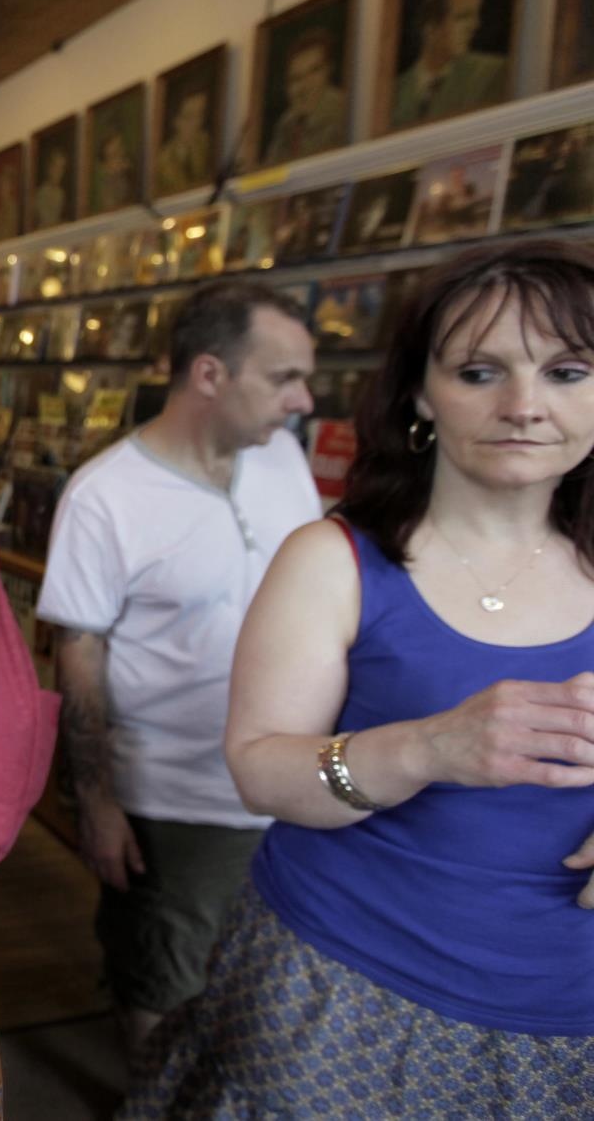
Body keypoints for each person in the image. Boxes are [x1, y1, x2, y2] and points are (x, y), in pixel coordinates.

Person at [126, 242, 594, 1117]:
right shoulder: (338, 560)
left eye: (567, 371)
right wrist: (429, 746)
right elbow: (262, 766)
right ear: (420, 394)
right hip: (346, 988)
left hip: (567, 1016)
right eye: (481, 371)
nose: (526, 406)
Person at [35, 282, 319, 1063]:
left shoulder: (284, 458)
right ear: (208, 375)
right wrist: (94, 803)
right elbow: (79, 660)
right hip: (179, 800)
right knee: (161, 988)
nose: (303, 398)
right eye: (283, 376)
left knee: (260, 988)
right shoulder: (106, 496)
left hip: (295, 788)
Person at [390, 0, 508, 130]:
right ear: (430, 28)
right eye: (463, 17)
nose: (475, 25)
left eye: (475, 15)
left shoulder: (489, 74)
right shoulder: (392, 94)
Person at [262, 26, 348, 164]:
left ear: (329, 70)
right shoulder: (286, 125)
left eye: (314, 71)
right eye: (296, 78)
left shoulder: (341, 112)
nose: (305, 86)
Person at [153, 89, 211, 196]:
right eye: (189, 117)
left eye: (200, 115)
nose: (196, 123)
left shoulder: (207, 144)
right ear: (175, 121)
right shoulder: (162, 161)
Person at [93, 129, 135, 212]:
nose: (117, 148)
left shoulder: (126, 166)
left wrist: (125, 173)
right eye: (113, 144)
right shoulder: (100, 171)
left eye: (119, 145)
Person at [32, 144, 72, 230]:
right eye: (55, 166)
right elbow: (47, 222)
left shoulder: (61, 193)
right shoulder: (41, 193)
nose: (58, 172)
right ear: (49, 168)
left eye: (61, 168)